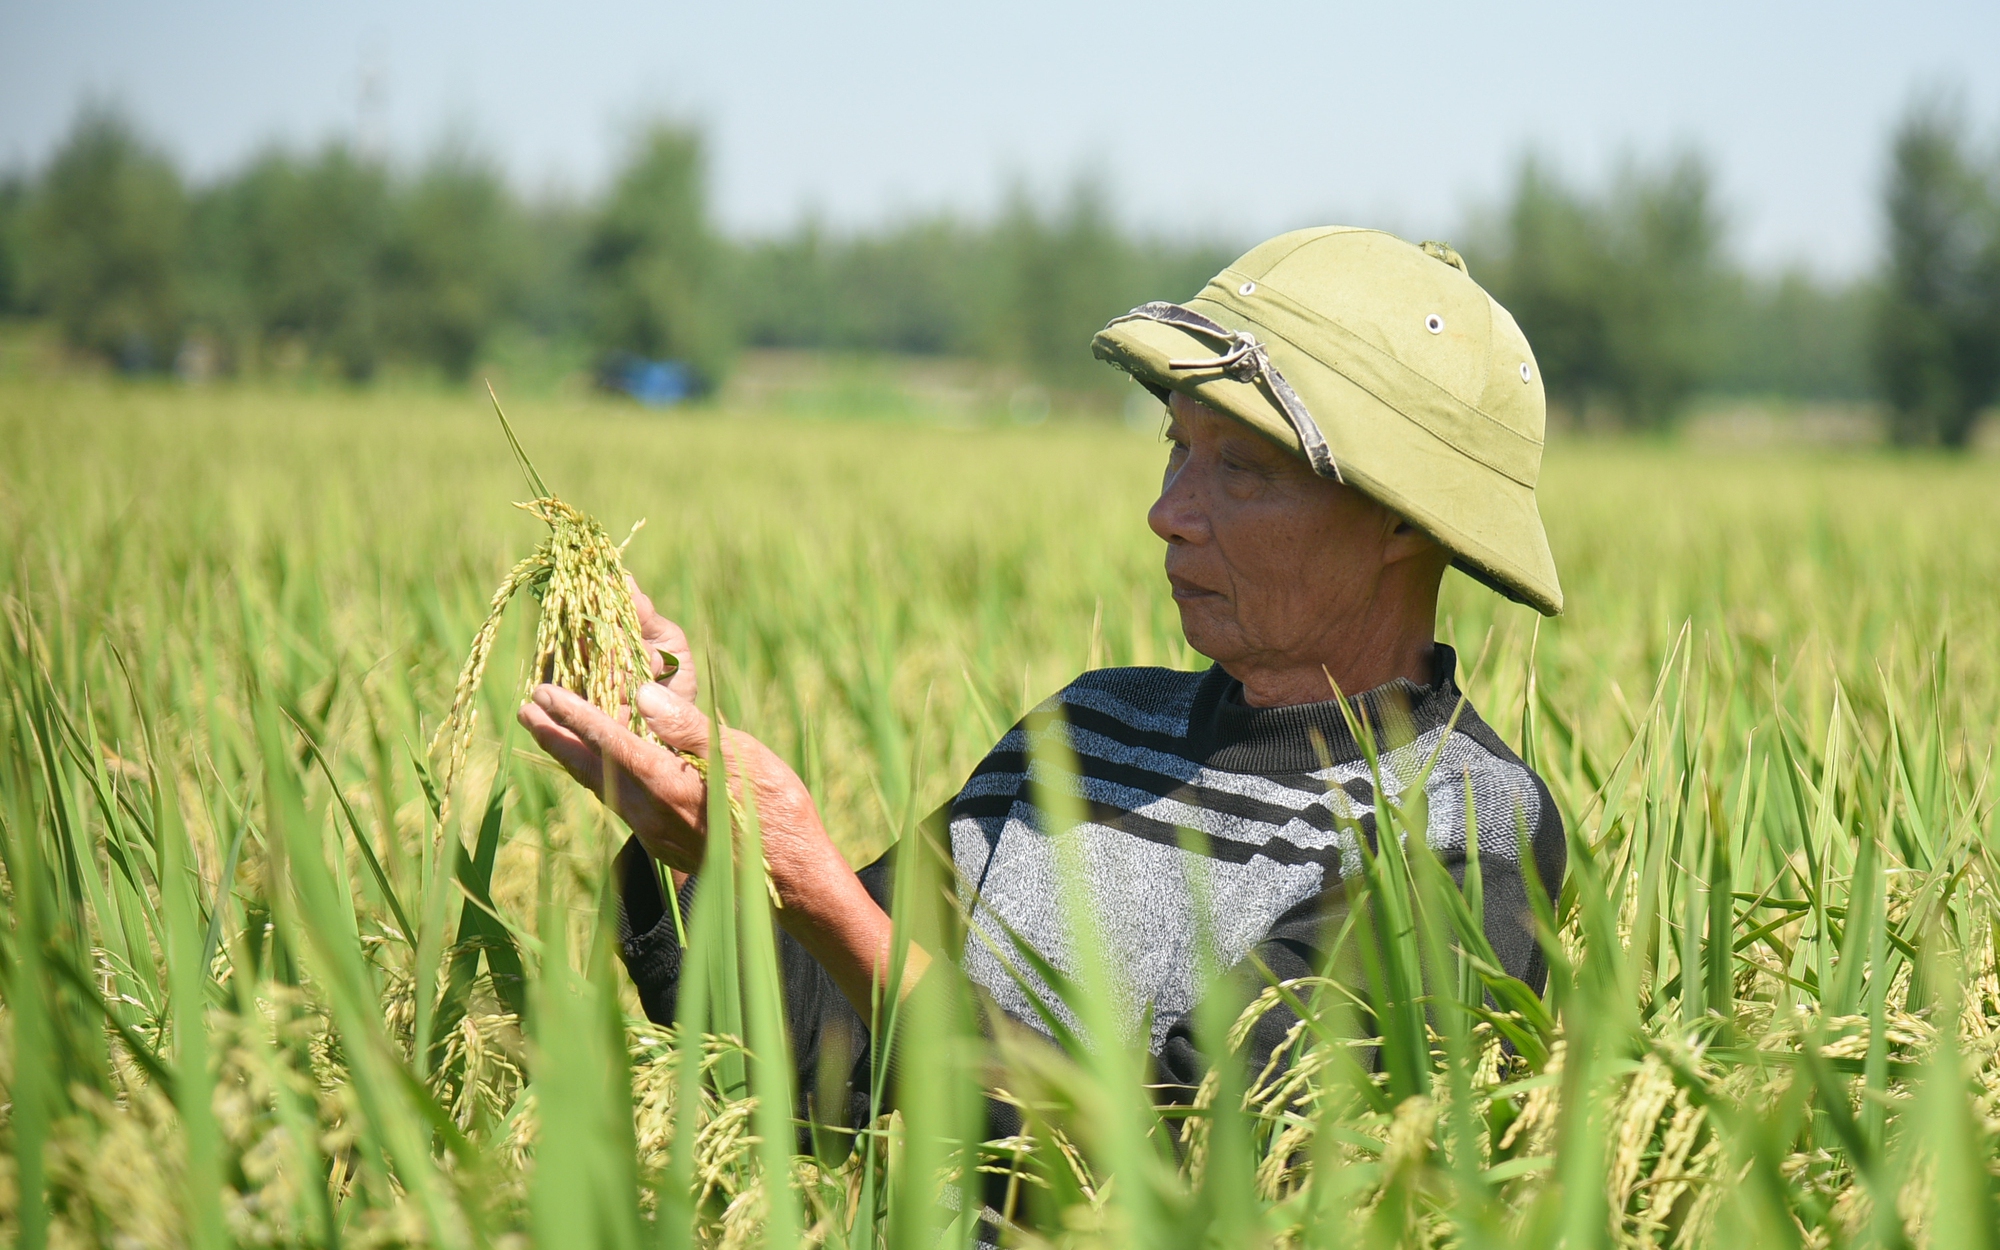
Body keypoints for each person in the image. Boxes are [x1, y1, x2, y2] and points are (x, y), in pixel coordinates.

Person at [518, 226, 1567, 1143]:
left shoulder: (1461, 824)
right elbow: (819, 1037)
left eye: (1240, 470)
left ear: (1400, 520)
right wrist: (693, 818)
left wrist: (818, 890)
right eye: (1176, 450)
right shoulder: (1090, 730)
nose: (1170, 512)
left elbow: (1195, 1161)